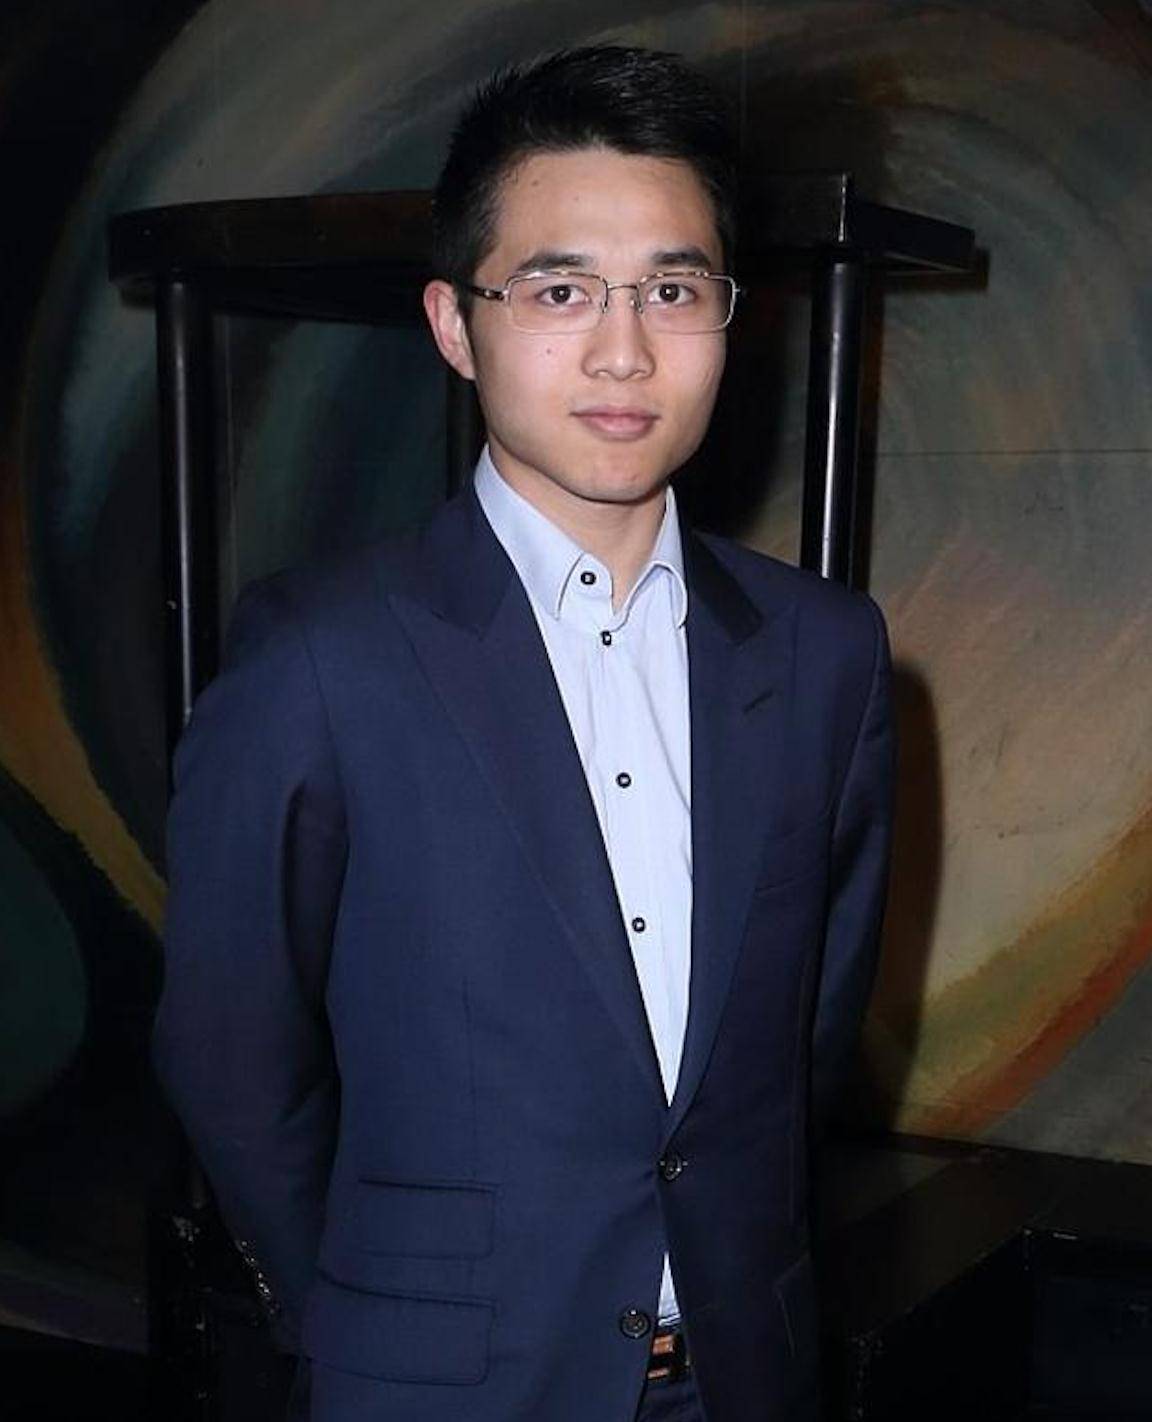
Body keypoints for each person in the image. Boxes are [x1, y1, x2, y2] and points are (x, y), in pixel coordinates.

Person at [154, 44, 894, 1422]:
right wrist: (371, 1321)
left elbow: (805, 1043)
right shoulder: (320, 656)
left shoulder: (826, 653)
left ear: (732, 316)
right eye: (560, 290)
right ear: (455, 324)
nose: (625, 350)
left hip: (744, 1373)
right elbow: (229, 1052)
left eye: (673, 289)